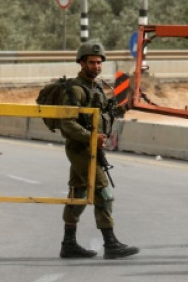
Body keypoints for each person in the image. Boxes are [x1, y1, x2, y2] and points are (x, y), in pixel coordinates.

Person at [58, 41, 139, 260]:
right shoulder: (75, 89)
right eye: (92, 62)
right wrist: (92, 137)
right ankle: (111, 244)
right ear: (81, 63)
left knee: (79, 193)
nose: (96, 66)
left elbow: (107, 113)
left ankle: (68, 243)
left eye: (99, 62)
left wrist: (128, 105)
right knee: (104, 193)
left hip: (90, 148)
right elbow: (68, 123)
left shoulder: (97, 88)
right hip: (81, 149)